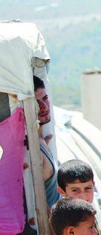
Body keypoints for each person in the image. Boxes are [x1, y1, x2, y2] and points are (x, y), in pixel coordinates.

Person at [32, 76, 58, 209]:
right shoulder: (30, 150)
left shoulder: (40, 139)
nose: (44, 106)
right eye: (36, 102)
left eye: (45, 98)